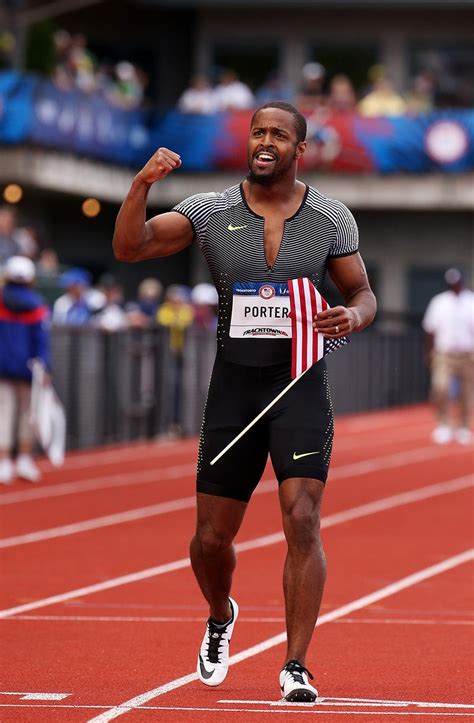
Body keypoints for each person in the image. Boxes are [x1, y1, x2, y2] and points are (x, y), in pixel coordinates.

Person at [113, 101, 376, 701]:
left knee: (302, 518)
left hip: (299, 383)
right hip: (233, 387)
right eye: (257, 132)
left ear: (298, 149)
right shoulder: (209, 209)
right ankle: (220, 613)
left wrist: (354, 317)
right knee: (210, 539)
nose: (264, 141)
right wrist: (140, 186)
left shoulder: (330, 217)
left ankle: (296, 666)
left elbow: (361, 290)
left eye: (278, 135)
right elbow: (132, 248)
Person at [0, 256, 50, 484]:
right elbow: (42, 340)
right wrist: (45, 366)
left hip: (3, 367)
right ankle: (23, 459)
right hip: (29, 369)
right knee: (27, 414)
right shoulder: (37, 305)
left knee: (4, 412)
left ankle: (3, 462)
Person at [422, 268, 474, 445]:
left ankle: (464, 426)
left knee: (467, 392)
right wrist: (428, 352)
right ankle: (443, 424)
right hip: (444, 354)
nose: (455, 286)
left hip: (467, 354)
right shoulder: (439, 302)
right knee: (440, 387)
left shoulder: (471, 301)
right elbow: (430, 329)